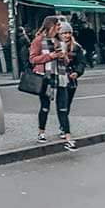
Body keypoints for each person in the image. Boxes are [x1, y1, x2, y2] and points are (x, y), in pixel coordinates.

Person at [28, 16, 76, 151]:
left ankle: (68, 138)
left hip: (61, 78)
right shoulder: (38, 40)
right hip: (45, 78)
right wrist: (51, 56)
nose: (60, 29)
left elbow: (66, 62)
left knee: (63, 108)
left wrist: (64, 57)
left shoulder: (59, 41)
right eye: (58, 26)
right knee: (45, 107)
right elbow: (32, 59)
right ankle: (41, 132)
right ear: (51, 26)